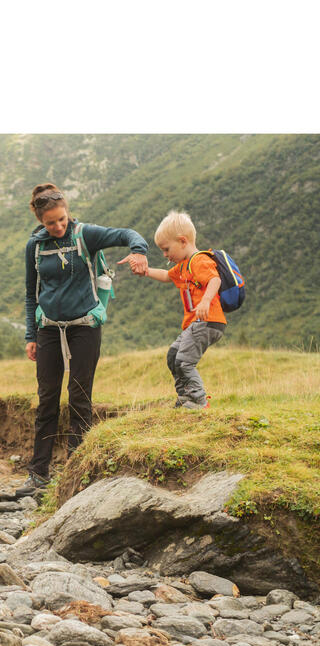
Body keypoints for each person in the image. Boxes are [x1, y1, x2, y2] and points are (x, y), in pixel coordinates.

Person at [21, 182, 149, 493]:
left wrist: (138, 252)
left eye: (62, 219)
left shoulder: (85, 234)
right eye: (51, 223)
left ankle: (76, 474)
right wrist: (31, 335)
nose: (58, 226)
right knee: (47, 400)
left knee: (80, 396)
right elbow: (30, 294)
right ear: (40, 221)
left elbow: (128, 234)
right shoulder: (35, 246)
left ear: (67, 213)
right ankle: (39, 474)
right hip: (49, 328)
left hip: (84, 327)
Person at [132, 209, 226, 409]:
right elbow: (167, 276)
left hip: (207, 320)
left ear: (183, 241)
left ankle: (198, 401)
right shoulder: (184, 266)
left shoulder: (200, 260)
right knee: (173, 356)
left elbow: (215, 280)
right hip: (195, 323)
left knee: (184, 361)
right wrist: (146, 271)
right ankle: (185, 397)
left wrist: (205, 302)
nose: (165, 255)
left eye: (166, 249)